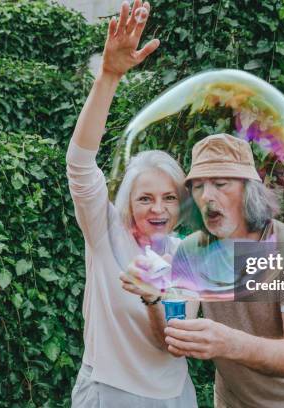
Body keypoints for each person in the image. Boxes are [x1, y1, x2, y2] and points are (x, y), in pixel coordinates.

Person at [127, 134, 284, 407]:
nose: (207, 197)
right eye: (198, 186)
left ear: (250, 190)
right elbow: (174, 339)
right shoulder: (192, 251)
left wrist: (229, 343)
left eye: (221, 184)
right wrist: (152, 299)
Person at [66, 1, 197, 406]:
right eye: (145, 198)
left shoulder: (188, 256)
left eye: (169, 198)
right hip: (109, 393)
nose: (158, 209)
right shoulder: (104, 231)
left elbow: (174, 344)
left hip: (175, 397)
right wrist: (108, 75)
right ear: (128, 202)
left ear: (181, 205)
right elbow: (80, 163)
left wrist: (153, 297)